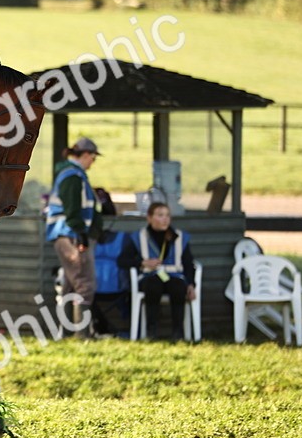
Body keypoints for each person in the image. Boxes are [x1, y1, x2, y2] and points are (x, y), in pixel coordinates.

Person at [45, 137, 103, 335]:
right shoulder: (72, 176)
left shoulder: (72, 174)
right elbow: (72, 210)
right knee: (85, 283)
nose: (93, 163)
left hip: (68, 234)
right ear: (85, 155)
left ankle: (66, 333)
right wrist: (81, 235)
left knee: (71, 285)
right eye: (93, 158)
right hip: (71, 236)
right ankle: (83, 335)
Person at [118, 202, 197, 341]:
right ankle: (151, 331)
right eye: (160, 215)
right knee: (153, 286)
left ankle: (177, 333)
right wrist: (143, 262)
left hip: (175, 276)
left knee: (178, 288)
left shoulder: (179, 237)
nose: (165, 219)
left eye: (167, 215)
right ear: (149, 218)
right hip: (150, 276)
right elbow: (122, 260)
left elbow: (188, 263)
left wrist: (191, 284)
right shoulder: (139, 236)